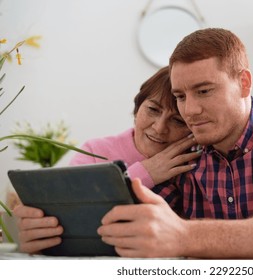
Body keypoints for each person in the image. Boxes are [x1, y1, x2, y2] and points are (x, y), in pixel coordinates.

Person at [96, 28, 253, 259]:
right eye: (180, 96)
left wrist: (186, 236)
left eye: (204, 91)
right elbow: (122, 230)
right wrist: (58, 227)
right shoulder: (186, 158)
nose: (190, 110)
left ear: (244, 83)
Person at [13, 66, 201, 254]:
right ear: (137, 109)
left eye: (177, 121)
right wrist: (145, 173)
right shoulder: (95, 151)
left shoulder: (196, 162)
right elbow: (68, 210)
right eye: (153, 110)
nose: (160, 128)